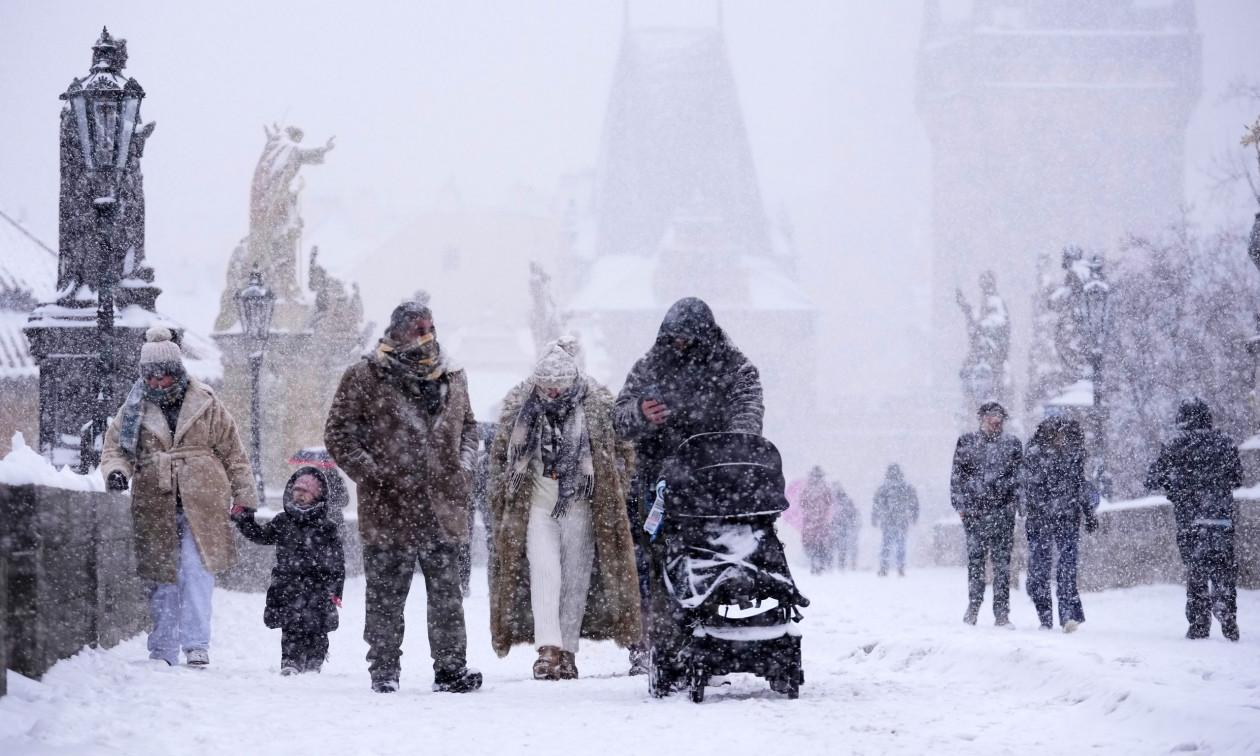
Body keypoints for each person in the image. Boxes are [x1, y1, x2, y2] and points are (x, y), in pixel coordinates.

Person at [324, 299, 482, 693]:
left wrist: (463, 469)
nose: (425, 335)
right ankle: (384, 671)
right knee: (385, 598)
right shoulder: (364, 375)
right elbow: (338, 434)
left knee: (447, 597)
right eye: (417, 327)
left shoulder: (452, 374)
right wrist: (374, 475)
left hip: (441, 504)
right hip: (389, 506)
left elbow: (469, 428)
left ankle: (450, 670)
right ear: (396, 330)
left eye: (430, 326)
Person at [613, 297, 764, 674]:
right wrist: (640, 414)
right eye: (674, 339)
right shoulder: (649, 366)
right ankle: (653, 645)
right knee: (654, 564)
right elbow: (618, 419)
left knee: (714, 558)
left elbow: (747, 423)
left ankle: (712, 635)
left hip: (716, 484)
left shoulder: (737, 369)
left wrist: (720, 459)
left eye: (688, 340)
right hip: (658, 485)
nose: (680, 346)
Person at [487, 338, 642, 680]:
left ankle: (568, 651)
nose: (553, 394)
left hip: (584, 507)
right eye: (546, 387)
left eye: (559, 386)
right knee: (546, 574)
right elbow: (501, 457)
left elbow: (624, 451)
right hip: (537, 505)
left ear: (572, 380)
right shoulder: (521, 407)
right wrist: (503, 494)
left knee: (576, 578)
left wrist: (614, 483)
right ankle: (548, 650)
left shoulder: (598, 405)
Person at [101, 326, 254, 667]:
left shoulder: (207, 401)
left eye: (162, 377)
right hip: (155, 500)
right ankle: (163, 647)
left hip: (204, 499)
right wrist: (116, 472)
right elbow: (116, 449)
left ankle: (197, 643)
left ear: (176, 372)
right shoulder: (133, 408)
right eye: (150, 377)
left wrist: (244, 497)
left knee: (196, 570)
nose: (156, 384)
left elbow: (233, 452)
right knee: (161, 575)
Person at [1145, 398, 1243, 642]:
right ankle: (1224, 604)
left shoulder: (1176, 445)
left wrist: (1176, 486)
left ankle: (1199, 624)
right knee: (1223, 567)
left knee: (1197, 571)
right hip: (1221, 518)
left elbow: (1153, 479)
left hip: (1191, 520)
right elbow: (1238, 478)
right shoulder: (1224, 443)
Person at [231, 467, 345, 674]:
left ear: (317, 496)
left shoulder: (326, 526)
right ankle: (290, 661)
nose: (300, 494)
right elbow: (261, 536)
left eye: (307, 492)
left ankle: (314, 661)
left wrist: (336, 590)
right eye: (297, 489)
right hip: (288, 584)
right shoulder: (283, 521)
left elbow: (337, 562)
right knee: (290, 625)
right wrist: (244, 519)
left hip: (317, 585)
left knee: (317, 627)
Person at [1019, 417, 1096, 632]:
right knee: (1039, 572)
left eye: (1064, 436)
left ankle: (1067, 617)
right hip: (1040, 520)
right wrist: (1025, 504)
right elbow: (1024, 484)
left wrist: (1089, 512)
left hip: (1067, 518)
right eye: (1058, 436)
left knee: (1067, 569)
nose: (1061, 440)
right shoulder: (1034, 456)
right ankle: (1046, 618)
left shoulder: (1073, 456)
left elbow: (1080, 485)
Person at [950, 401, 1023, 628]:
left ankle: (1001, 613)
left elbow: (1019, 478)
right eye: (991, 417)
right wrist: (962, 509)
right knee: (976, 563)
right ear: (982, 419)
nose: (995, 422)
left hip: (1003, 513)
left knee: (1002, 565)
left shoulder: (1012, 445)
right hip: (975, 515)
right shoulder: (966, 443)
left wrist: (1018, 504)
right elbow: (957, 479)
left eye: (999, 418)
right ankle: (973, 607)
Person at [872, 464, 919, 577]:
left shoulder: (883, 488)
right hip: (902, 520)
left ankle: (884, 567)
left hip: (887, 520)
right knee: (901, 544)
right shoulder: (906, 487)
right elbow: (914, 503)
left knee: (886, 545)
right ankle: (900, 567)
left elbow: (876, 504)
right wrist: (914, 516)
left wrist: (874, 517)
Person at [800, 466, 835, 574]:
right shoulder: (825, 488)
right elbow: (829, 502)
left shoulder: (807, 489)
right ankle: (820, 563)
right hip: (821, 520)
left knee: (809, 543)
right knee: (821, 543)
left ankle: (813, 562)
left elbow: (801, 503)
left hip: (809, 520)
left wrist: (810, 508)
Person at [831, 482, 859, 570]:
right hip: (843, 526)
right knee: (842, 547)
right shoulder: (846, 501)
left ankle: (835, 565)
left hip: (838, 527)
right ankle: (841, 565)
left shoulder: (831, 500)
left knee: (836, 547)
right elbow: (853, 514)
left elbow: (853, 514)